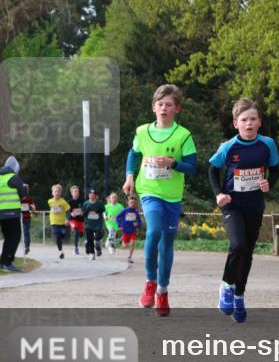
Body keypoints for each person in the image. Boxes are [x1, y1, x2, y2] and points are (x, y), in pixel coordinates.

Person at [123, 84, 198, 317]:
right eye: (160, 104)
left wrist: (172, 163)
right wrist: (129, 176)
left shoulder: (183, 135)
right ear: (153, 107)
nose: (164, 108)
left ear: (177, 109)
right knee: (154, 231)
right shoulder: (143, 132)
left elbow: (192, 167)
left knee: (167, 242)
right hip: (149, 191)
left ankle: (163, 291)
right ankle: (150, 283)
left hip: (172, 196)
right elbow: (134, 154)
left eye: (169, 104)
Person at [209, 98, 279, 323]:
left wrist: (270, 183)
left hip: (255, 205)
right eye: (244, 120)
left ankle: (239, 295)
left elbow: (275, 171)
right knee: (237, 245)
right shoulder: (228, 147)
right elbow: (212, 170)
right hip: (232, 205)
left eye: (253, 119)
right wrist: (219, 193)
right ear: (235, 123)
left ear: (259, 122)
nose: (248, 123)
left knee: (247, 252)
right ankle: (226, 286)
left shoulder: (267, 144)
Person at [0, 156, 26, 271]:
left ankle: (2, 262)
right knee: (15, 237)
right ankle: (8, 262)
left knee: (7, 238)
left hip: (1, 213)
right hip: (12, 212)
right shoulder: (13, 178)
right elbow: (23, 192)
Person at [116, 195, 142, 265]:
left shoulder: (136, 212)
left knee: (132, 243)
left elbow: (139, 221)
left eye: (134, 203)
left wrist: (138, 224)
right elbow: (117, 217)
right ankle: (122, 240)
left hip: (133, 230)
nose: (132, 204)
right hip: (125, 230)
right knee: (125, 246)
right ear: (128, 203)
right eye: (131, 202)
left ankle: (129, 257)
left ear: (136, 203)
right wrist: (119, 225)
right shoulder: (125, 211)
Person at [47, 184, 70, 260]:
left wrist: (68, 219)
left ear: (61, 193)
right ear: (52, 193)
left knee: (62, 236)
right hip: (54, 222)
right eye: (55, 191)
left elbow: (68, 211)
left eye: (58, 191)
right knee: (57, 238)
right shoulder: (50, 201)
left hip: (62, 223)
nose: (57, 193)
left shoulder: (63, 202)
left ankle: (63, 237)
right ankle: (61, 251)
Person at [82, 188, 106, 260]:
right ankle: (92, 253)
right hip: (88, 224)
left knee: (98, 236)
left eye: (93, 194)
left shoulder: (100, 203)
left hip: (98, 224)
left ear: (96, 196)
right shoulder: (85, 203)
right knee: (90, 240)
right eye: (90, 194)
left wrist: (104, 217)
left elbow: (103, 211)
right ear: (88, 195)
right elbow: (83, 213)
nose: (92, 195)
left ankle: (96, 242)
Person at [66, 184, 84, 255]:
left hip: (80, 220)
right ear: (72, 193)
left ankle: (82, 240)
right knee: (76, 230)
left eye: (78, 191)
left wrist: (83, 212)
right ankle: (76, 248)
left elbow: (85, 209)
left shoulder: (82, 201)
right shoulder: (69, 202)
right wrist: (70, 214)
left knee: (81, 234)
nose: (77, 193)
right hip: (73, 219)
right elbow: (67, 211)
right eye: (75, 191)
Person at [19, 184, 35, 255]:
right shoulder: (18, 197)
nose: (25, 190)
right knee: (18, 233)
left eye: (26, 189)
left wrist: (32, 208)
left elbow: (33, 207)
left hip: (26, 217)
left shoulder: (29, 198)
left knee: (26, 232)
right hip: (18, 217)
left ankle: (27, 247)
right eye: (24, 189)